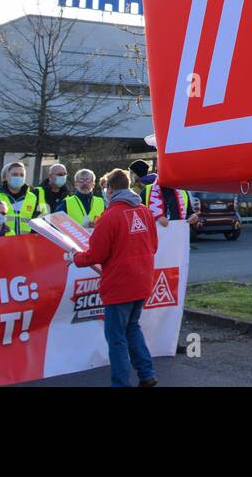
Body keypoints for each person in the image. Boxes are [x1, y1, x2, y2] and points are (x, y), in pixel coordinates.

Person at [72, 168, 159, 387]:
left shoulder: (109, 216)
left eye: (105, 189)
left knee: (117, 338)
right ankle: (147, 374)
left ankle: (121, 383)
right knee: (132, 327)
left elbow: (96, 254)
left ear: (110, 189)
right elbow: (154, 245)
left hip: (119, 285)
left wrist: (76, 258)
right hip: (142, 281)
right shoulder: (145, 212)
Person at [130, 159, 198, 228]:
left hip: (178, 235)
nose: (168, 175)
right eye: (164, 171)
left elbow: (189, 213)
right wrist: (156, 218)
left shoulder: (182, 191)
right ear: (158, 172)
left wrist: (193, 217)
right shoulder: (147, 191)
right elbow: (137, 216)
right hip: (155, 236)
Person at [0, 161, 47, 235]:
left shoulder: (33, 198)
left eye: (22, 175)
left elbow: (39, 223)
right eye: (15, 174)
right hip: (2, 243)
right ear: (7, 176)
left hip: (25, 243)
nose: (18, 177)